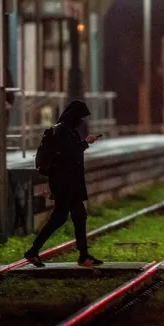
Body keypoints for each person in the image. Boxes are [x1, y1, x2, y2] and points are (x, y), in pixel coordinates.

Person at [24, 100, 103, 268]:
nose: (81, 121)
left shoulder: (69, 130)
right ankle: (33, 251)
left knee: (77, 216)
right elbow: (69, 153)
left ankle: (83, 255)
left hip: (69, 183)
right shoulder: (61, 130)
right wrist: (86, 142)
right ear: (73, 116)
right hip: (64, 183)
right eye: (80, 117)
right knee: (60, 218)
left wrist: (83, 143)